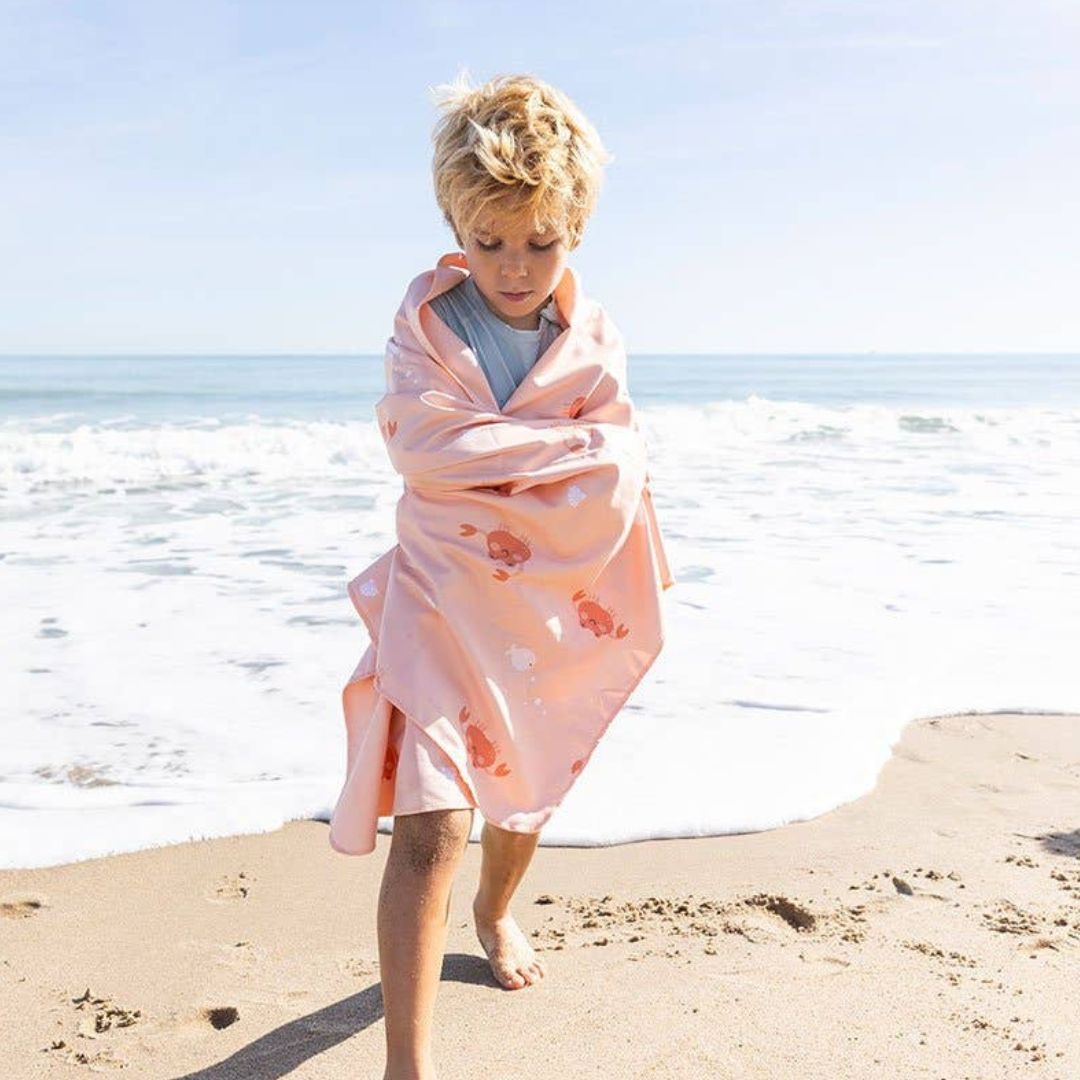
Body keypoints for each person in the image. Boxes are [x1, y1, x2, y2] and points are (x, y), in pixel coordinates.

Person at [329, 68, 672, 1080]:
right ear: (453, 221)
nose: (514, 267)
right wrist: (559, 461)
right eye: (490, 242)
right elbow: (424, 448)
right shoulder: (425, 325)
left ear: (578, 229)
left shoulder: (591, 340)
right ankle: (409, 1067)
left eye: (541, 242)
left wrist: (537, 461)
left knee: (524, 788)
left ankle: (496, 909)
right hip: (439, 594)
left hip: (547, 598)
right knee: (433, 822)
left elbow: (616, 469)